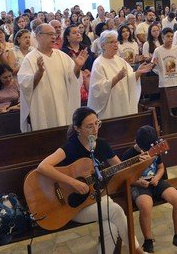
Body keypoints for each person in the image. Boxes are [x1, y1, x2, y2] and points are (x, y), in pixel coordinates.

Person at [36, 107, 145, 254]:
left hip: (96, 198)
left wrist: (138, 162)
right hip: (73, 206)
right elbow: (42, 167)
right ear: (77, 128)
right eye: (89, 126)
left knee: (110, 227)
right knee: (116, 210)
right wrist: (73, 182)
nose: (95, 129)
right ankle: (137, 250)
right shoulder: (71, 147)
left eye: (97, 123)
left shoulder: (102, 145)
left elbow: (121, 168)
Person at [121, 125, 177, 253]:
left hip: (155, 181)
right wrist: (137, 182)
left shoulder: (154, 149)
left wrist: (157, 177)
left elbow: (160, 168)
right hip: (138, 185)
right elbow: (123, 178)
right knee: (145, 205)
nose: (147, 151)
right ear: (136, 142)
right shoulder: (128, 154)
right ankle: (148, 240)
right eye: (144, 149)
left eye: (149, 148)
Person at [18, 24, 86, 131]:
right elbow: (25, 86)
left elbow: (73, 79)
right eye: (50, 34)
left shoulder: (62, 56)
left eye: (54, 34)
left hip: (62, 103)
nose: (54, 37)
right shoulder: (30, 59)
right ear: (39, 36)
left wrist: (77, 67)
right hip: (43, 107)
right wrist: (39, 72)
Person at [87, 30, 153, 118]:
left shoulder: (120, 60)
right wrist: (117, 78)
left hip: (123, 100)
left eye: (116, 42)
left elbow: (130, 79)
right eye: (111, 42)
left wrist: (138, 73)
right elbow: (98, 89)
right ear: (103, 45)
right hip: (110, 105)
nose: (115, 45)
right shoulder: (98, 63)